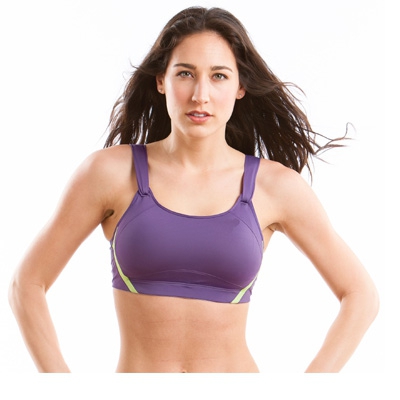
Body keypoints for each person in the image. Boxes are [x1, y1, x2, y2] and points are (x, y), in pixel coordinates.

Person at [9, 6, 379, 373]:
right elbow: (26, 284)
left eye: (219, 76)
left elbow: (361, 295)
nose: (200, 95)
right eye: (185, 73)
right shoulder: (109, 173)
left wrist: (308, 391)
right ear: (161, 80)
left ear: (240, 86)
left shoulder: (275, 186)